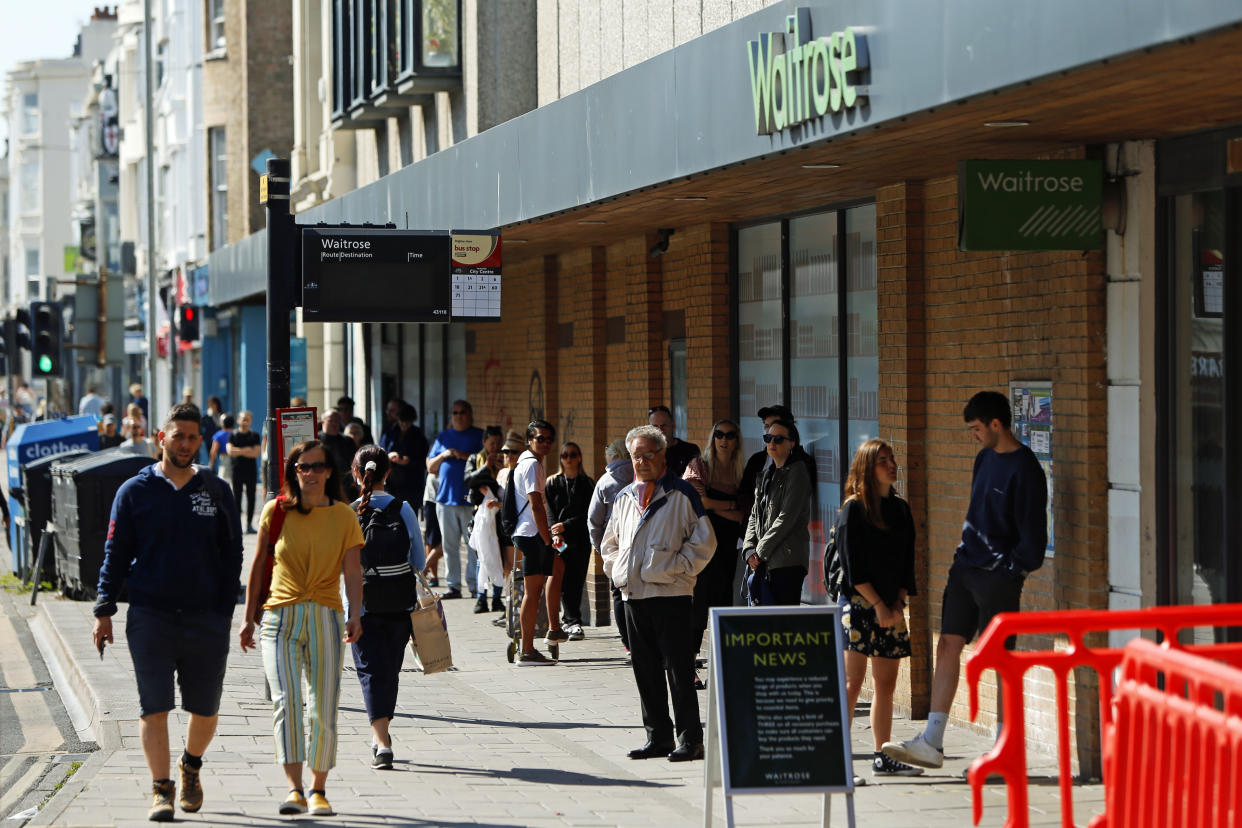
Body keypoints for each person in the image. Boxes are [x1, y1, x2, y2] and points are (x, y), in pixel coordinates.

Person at [92, 403, 243, 821]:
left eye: (193, 437)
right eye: (178, 435)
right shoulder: (134, 491)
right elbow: (115, 553)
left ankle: (191, 766)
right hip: (150, 616)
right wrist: (104, 609)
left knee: (206, 709)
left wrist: (226, 608)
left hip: (205, 618)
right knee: (152, 706)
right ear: (161, 438)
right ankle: (161, 790)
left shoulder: (216, 490)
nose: (186, 444)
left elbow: (233, 554)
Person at [882, 391, 1047, 769]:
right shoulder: (984, 458)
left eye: (976, 428)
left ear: (995, 424)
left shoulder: (1027, 469)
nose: (973, 435)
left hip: (1000, 578)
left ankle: (1005, 751)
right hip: (965, 569)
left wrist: (1011, 570)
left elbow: (1034, 540)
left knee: (1002, 660)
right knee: (947, 646)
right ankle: (932, 741)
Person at [239, 441, 364, 817]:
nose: (309, 473)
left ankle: (318, 789)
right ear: (294, 471)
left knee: (324, 706)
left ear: (329, 472)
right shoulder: (275, 511)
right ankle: (294, 788)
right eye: (302, 467)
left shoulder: (344, 515)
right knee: (287, 701)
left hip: (326, 616)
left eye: (317, 466)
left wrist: (356, 614)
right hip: (280, 618)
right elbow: (258, 565)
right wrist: (247, 618)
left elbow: (353, 571)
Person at [600, 425, 715, 761]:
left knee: (679, 671)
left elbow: (705, 542)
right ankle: (658, 737)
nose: (643, 461)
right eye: (637, 455)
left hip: (672, 595)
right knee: (645, 671)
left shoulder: (682, 494)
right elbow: (609, 544)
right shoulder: (624, 497)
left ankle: (690, 740)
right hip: (633, 595)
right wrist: (617, 571)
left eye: (649, 454)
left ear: (663, 455)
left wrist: (676, 568)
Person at [837, 439, 923, 778]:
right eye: (882, 460)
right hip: (859, 606)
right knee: (852, 683)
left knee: (885, 684)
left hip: (891, 606)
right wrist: (877, 604)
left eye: (892, 459)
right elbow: (852, 567)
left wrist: (898, 602)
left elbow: (908, 563)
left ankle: (883, 755)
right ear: (866, 469)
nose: (891, 465)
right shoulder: (853, 510)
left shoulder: (900, 509)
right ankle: (839, 760)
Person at [347, 445, 425, 771]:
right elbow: (419, 561)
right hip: (399, 605)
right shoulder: (403, 509)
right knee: (389, 673)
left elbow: (343, 567)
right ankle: (382, 735)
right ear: (387, 473)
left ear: (355, 474)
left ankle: (382, 742)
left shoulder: (349, 512)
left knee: (369, 673)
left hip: (362, 607)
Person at [683, 419, 745, 681]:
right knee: (698, 606)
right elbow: (698, 501)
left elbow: (743, 516)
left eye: (730, 436)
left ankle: (721, 667)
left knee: (722, 603)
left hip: (727, 548)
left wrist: (718, 507)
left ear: (736, 441)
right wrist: (730, 505)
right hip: (702, 545)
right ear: (712, 438)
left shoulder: (740, 470)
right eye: (719, 434)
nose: (724, 439)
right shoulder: (700, 465)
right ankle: (689, 666)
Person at [511, 420, 566, 664]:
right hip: (532, 534)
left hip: (529, 533)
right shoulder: (532, 465)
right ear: (529, 440)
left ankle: (554, 628)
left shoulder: (526, 461)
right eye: (539, 438)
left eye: (548, 439)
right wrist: (547, 539)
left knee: (558, 567)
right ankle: (527, 650)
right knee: (531, 593)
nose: (544, 443)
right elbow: (535, 505)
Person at [741, 418, 810, 606]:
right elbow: (754, 515)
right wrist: (748, 550)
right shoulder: (766, 474)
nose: (771, 443)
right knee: (761, 628)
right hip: (763, 562)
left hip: (786, 564)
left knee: (781, 627)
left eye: (778, 439)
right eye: (768, 438)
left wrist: (760, 552)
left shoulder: (798, 472)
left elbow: (787, 517)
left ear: (792, 443)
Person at [425, 400, 484, 599]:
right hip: (445, 500)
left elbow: (485, 460)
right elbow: (431, 467)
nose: (458, 416)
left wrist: (462, 455)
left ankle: (476, 585)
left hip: (470, 501)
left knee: (473, 545)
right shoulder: (443, 437)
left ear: (470, 414)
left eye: (462, 412)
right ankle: (454, 586)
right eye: (455, 412)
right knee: (449, 546)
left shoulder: (478, 435)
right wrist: (444, 455)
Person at [545, 441, 594, 640]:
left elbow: (589, 513)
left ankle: (573, 620)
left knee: (576, 579)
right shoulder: (553, 482)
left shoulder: (587, 483)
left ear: (579, 457)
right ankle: (569, 621)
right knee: (561, 579)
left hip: (580, 538)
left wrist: (567, 525)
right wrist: (554, 531)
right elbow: (548, 510)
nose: (569, 459)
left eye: (573, 455)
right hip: (559, 539)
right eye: (565, 455)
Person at [587, 437, 633, 650]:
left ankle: (627, 642)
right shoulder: (642, 476)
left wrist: (600, 548)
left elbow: (594, 521)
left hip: (615, 546)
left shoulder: (605, 482)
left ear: (614, 456)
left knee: (617, 591)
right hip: (641, 544)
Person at [464, 427, 506, 613]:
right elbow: (468, 481)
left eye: (498, 444)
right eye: (491, 444)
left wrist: (499, 468)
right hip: (480, 516)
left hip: (499, 516)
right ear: (484, 443)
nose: (495, 448)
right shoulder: (475, 459)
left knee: (497, 557)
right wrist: (485, 467)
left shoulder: (503, 461)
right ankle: (481, 598)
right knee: (482, 556)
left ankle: (497, 597)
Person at [380, 402, 428, 510]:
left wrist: (408, 461)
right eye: (402, 421)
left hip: (411, 483)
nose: (404, 425)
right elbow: (381, 451)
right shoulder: (390, 432)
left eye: (408, 422)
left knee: (409, 513)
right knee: (391, 513)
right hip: (392, 482)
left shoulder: (418, 435)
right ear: (398, 419)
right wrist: (390, 456)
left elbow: (422, 460)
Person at [227, 411, 261, 533]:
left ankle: (249, 524)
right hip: (236, 470)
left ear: (250, 421)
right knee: (237, 498)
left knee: (251, 497)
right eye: (243, 419)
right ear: (238, 421)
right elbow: (230, 451)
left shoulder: (255, 436)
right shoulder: (233, 435)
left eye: (247, 419)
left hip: (250, 471)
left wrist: (239, 451)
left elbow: (256, 453)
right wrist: (246, 450)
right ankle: (238, 526)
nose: (245, 422)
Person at [647, 405, 699, 479]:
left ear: (673, 425)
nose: (660, 430)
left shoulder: (690, 450)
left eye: (664, 425)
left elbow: (695, 481)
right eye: (655, 426)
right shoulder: (646, 453)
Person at [319, 410, 358, 500]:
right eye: (331, 421)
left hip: (345, 484)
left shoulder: (348, 441)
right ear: (323, 422)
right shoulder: (316, 440)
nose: (334, 424)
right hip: (324, 482)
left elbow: (354, 462)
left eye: (337, 421)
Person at [420, 470, 443, 586]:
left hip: (449, 500)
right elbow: (430, 467)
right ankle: (433, 576)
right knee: (431, 540)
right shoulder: (438, 452)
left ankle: (423, 569)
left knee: (448, 542)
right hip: (433, 499)